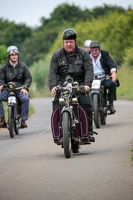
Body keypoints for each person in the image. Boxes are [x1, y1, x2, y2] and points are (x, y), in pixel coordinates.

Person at [48, 28, 95, 142]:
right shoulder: (56, 55)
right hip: (62, 85)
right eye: (66, 42)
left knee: (86, 104)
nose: (69, 44)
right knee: (56, 105)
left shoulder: (84, 54)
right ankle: (58, 134)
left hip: (79, 84)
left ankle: (88, 132)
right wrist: (53, 86)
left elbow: (89, 71)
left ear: (75, 41)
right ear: (63, 42)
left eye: (71, 42)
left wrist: (87, 85)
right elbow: (52, 73)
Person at [0, 45, 32, 128]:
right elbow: (1, 78)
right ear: (9, 56)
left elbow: (28, 78)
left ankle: (23, 121)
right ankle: (2, 120)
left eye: (15, 54)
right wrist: (1, 85)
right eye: (12, 55)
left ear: (18, 55)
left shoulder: (23, 66)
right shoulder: (4, 67)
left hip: (19, 89)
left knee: (25, 99)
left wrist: (25, 87)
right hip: (7, 89)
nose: (14, 56)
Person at [90, 41, 118, 113]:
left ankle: (111, 103)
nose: (94, 52)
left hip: (103, 78)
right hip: (91, 80)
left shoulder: (105, 54)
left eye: (96, 50)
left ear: (100, 49)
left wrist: (113, 73)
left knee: (112, 84)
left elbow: (111, 64)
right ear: (90, 50)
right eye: (92, 50)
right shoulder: (86, 56)